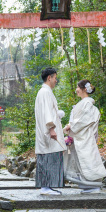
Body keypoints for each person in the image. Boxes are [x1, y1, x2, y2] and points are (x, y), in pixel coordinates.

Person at [63, 79, 106, 193]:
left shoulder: (87, 103)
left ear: (84, 89)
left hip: (85, 136)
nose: (76, 90)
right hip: (81, 135)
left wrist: (71, 126)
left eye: (78, 87)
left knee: (87, 159)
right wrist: (71, 126)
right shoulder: (84, 103)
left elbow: (84, 120)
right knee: (82, 159)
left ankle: (93, 184)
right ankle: (87, 184)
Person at [34, 67, 67, 195]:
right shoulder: (45, 92)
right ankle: (46, 187)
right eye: (55, 78)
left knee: (48, 156)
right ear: (49, 78)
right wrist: (52, 129)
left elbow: (48, 112)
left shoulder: (44, 92)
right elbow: (47, 112)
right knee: (49, 157)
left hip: (46, 131)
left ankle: (46, 187)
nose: (56, 81)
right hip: (48, 132)